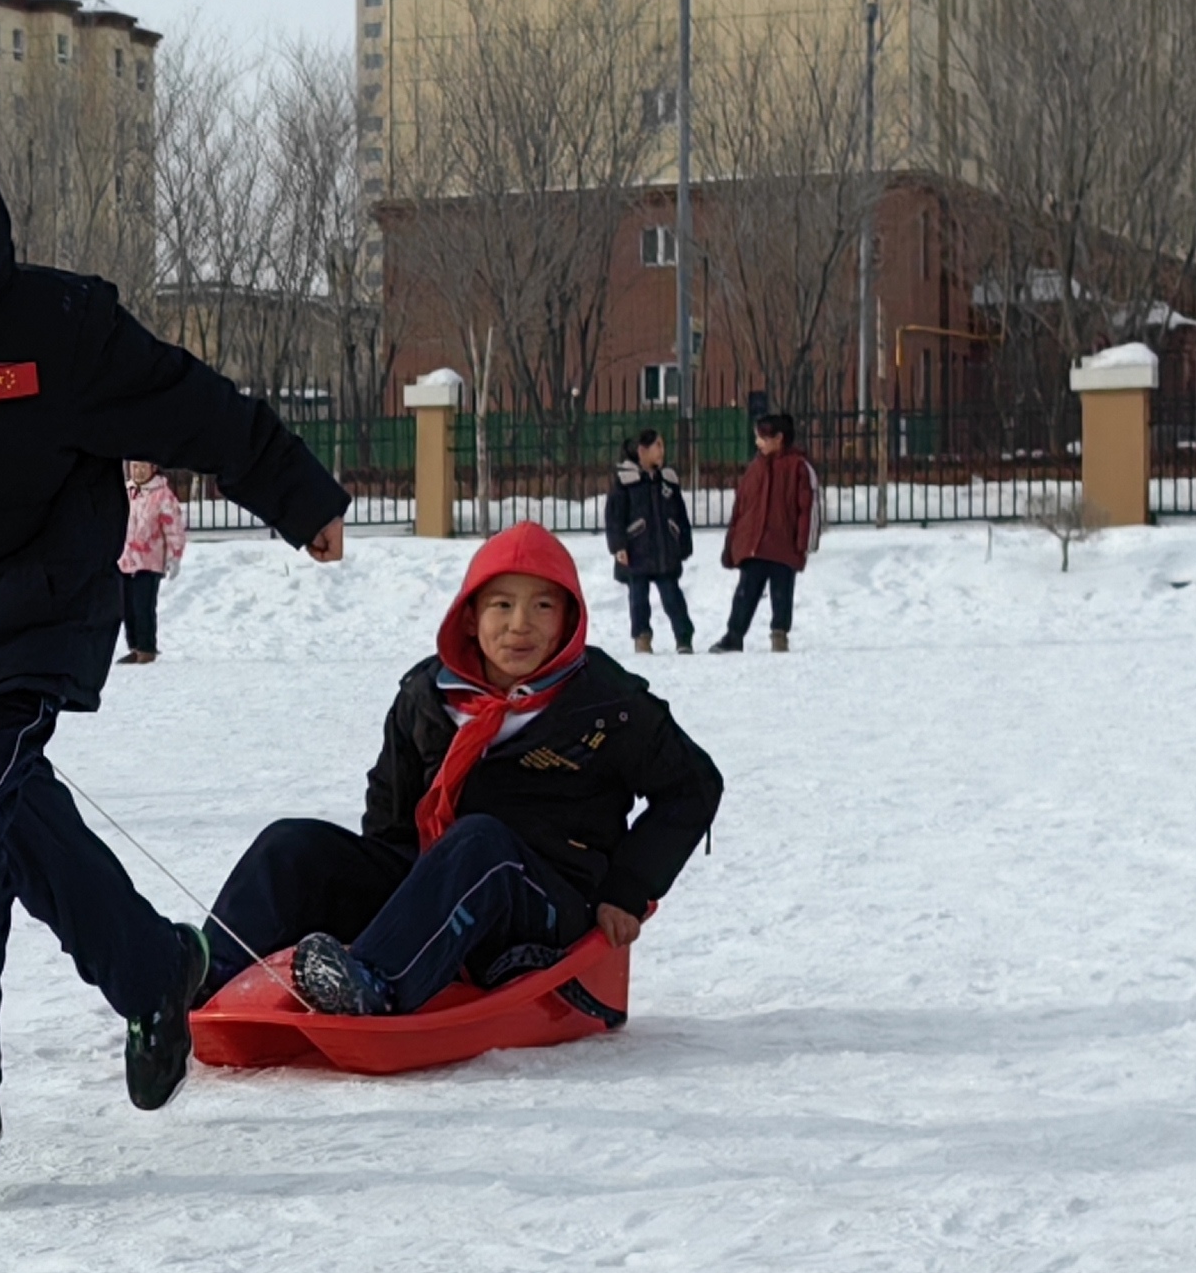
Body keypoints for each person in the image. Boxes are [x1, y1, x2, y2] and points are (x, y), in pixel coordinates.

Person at [0, 75, 351, 1177]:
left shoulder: (55, 325)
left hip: (26, 628)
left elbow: (190, 403)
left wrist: (296, 493)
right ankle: (154, 970)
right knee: (11, 817)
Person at [201, 523, 723, 1019]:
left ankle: (376, 982)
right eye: (502, 605)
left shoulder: (607, 704)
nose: (520, 624)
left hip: (547, 902)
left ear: (569, 619)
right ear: (470, 617)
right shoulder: (430, 696)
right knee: (291, 846)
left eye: (543, 606)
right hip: (439, 886)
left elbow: (693, 787)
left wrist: (627, 887)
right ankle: (203, 979)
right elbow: (390, 818)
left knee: (479, 842)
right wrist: (378, 898)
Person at [715, 412, 819, 653]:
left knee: (782, 593)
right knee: (745, 593)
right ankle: (734, 635)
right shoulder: (755, 468)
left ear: (779, 438)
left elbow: (807, 507)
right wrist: (733, 543)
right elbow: (741, 507)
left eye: (762, 438)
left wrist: (804, 542)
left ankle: (779, 634)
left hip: (784, 544)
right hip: (755, 546)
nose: (757, 443)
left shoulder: (798, 467)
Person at [602, 429, 696, 655]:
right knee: (638, 599)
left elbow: (680, 514)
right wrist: (618, 547)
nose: (662, 451)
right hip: (637, 551)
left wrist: (683, 542)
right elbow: (614, 518)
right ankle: (642, 636)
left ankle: (683, 637)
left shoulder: (668, 480)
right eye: (658, 446)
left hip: (665, 552)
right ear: (642, 451)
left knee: (673, 597)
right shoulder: (625, 482)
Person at [117, 459, 188, 664]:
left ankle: (146, 648)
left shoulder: (162, 495)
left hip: (149, 562)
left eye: (143, 467)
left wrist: (174, 556)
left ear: (153, 468)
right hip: (125, 560)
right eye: (135, 467)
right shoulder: (126, 492)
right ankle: (134, 646)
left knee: (143, 606)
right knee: (127, 607)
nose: (138, 471)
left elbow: (173, 529)